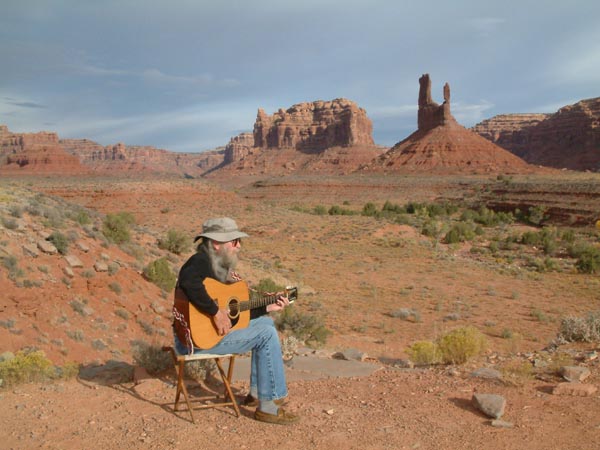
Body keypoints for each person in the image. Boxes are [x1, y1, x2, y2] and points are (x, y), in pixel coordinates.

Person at [172, 217, 299, 425]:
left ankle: (257, 393)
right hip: (195, 342)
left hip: (207, 336)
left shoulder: (218, 268)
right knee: (266, 335)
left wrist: (268, 307)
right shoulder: (200, 261)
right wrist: (215, 312)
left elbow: (235, 315)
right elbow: (187, 280)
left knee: (266, 324)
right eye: (234, 241)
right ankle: (268, 407)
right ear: (216, 243)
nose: (239, 246)